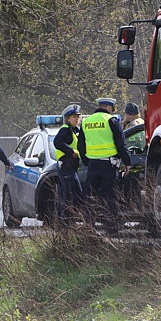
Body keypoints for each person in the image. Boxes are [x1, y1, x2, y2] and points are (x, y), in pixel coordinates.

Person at [77, 97, 132, 233]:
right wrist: (127, 163)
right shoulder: (111, 120)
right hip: (109, 165)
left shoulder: (86, 121)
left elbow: (80, 145)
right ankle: (112, 227)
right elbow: (121, 143)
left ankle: (89, 226)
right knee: (110, 196)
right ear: (109, 108)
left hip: (93, 165)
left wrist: (87, 162)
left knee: (91, 196)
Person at [53, 103, 84, 223]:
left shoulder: (74, 130)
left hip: (71, 167)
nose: (77, 119)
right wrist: (71, 151)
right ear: (67, 119)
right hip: (66, 165)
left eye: (78, 117)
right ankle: (65, 222)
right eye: (74, 117)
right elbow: (57, 142)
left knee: (72, 193)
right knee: (70, 193)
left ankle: (67, 221)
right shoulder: (65, 130)